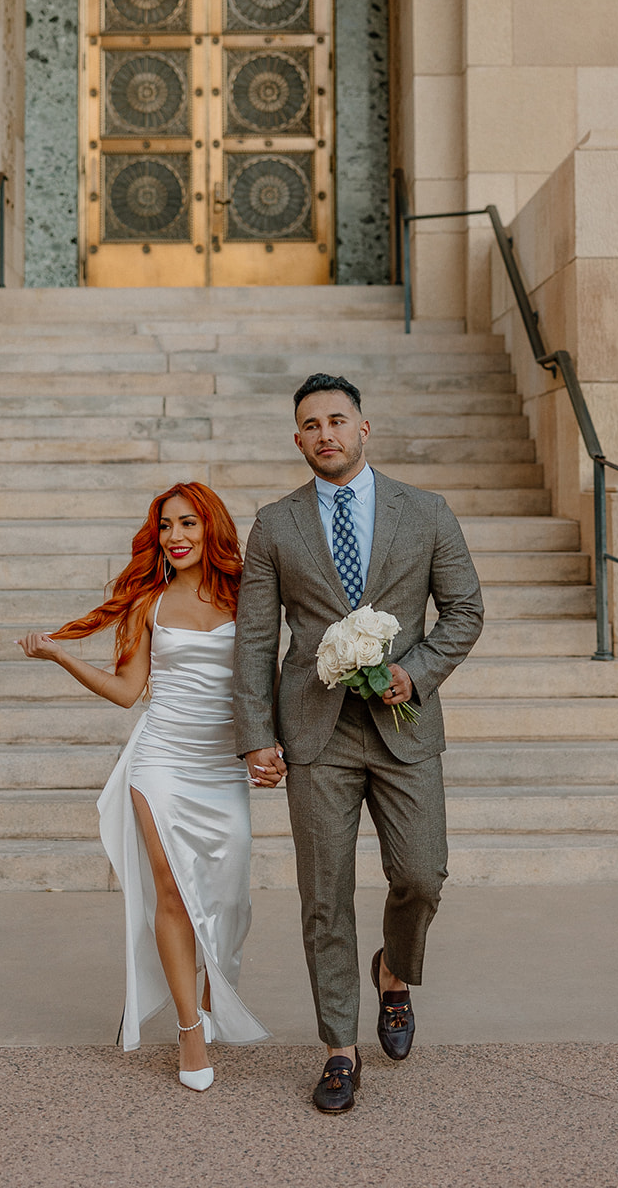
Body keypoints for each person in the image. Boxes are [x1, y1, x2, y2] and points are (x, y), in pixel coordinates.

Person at [233, 372, 484, 1113]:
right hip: (315, 732)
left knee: (421, 875)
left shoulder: (427, 513)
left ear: (363, 428)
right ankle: (339, 1049)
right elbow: (254, 638)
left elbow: (464, 611)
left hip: (403, 727)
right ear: (298, 438)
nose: (325, 435)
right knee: (324, 896)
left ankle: (394, 973)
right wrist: (254, 735)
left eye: (336, 421)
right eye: (310, 426)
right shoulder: (275, 525)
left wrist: (418, 671)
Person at [19, 482, 268, 1091]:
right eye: (165, 527)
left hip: (223, 765)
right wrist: (61, 656)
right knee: (174, 894)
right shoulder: (148, 605)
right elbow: (128, 691)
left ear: (211, 528)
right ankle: (188, 1032)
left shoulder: (249, 596)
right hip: (161, 763)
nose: (175, 537)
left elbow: (268, 676)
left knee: (229, 900)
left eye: (188, 523)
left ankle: (211, 992)